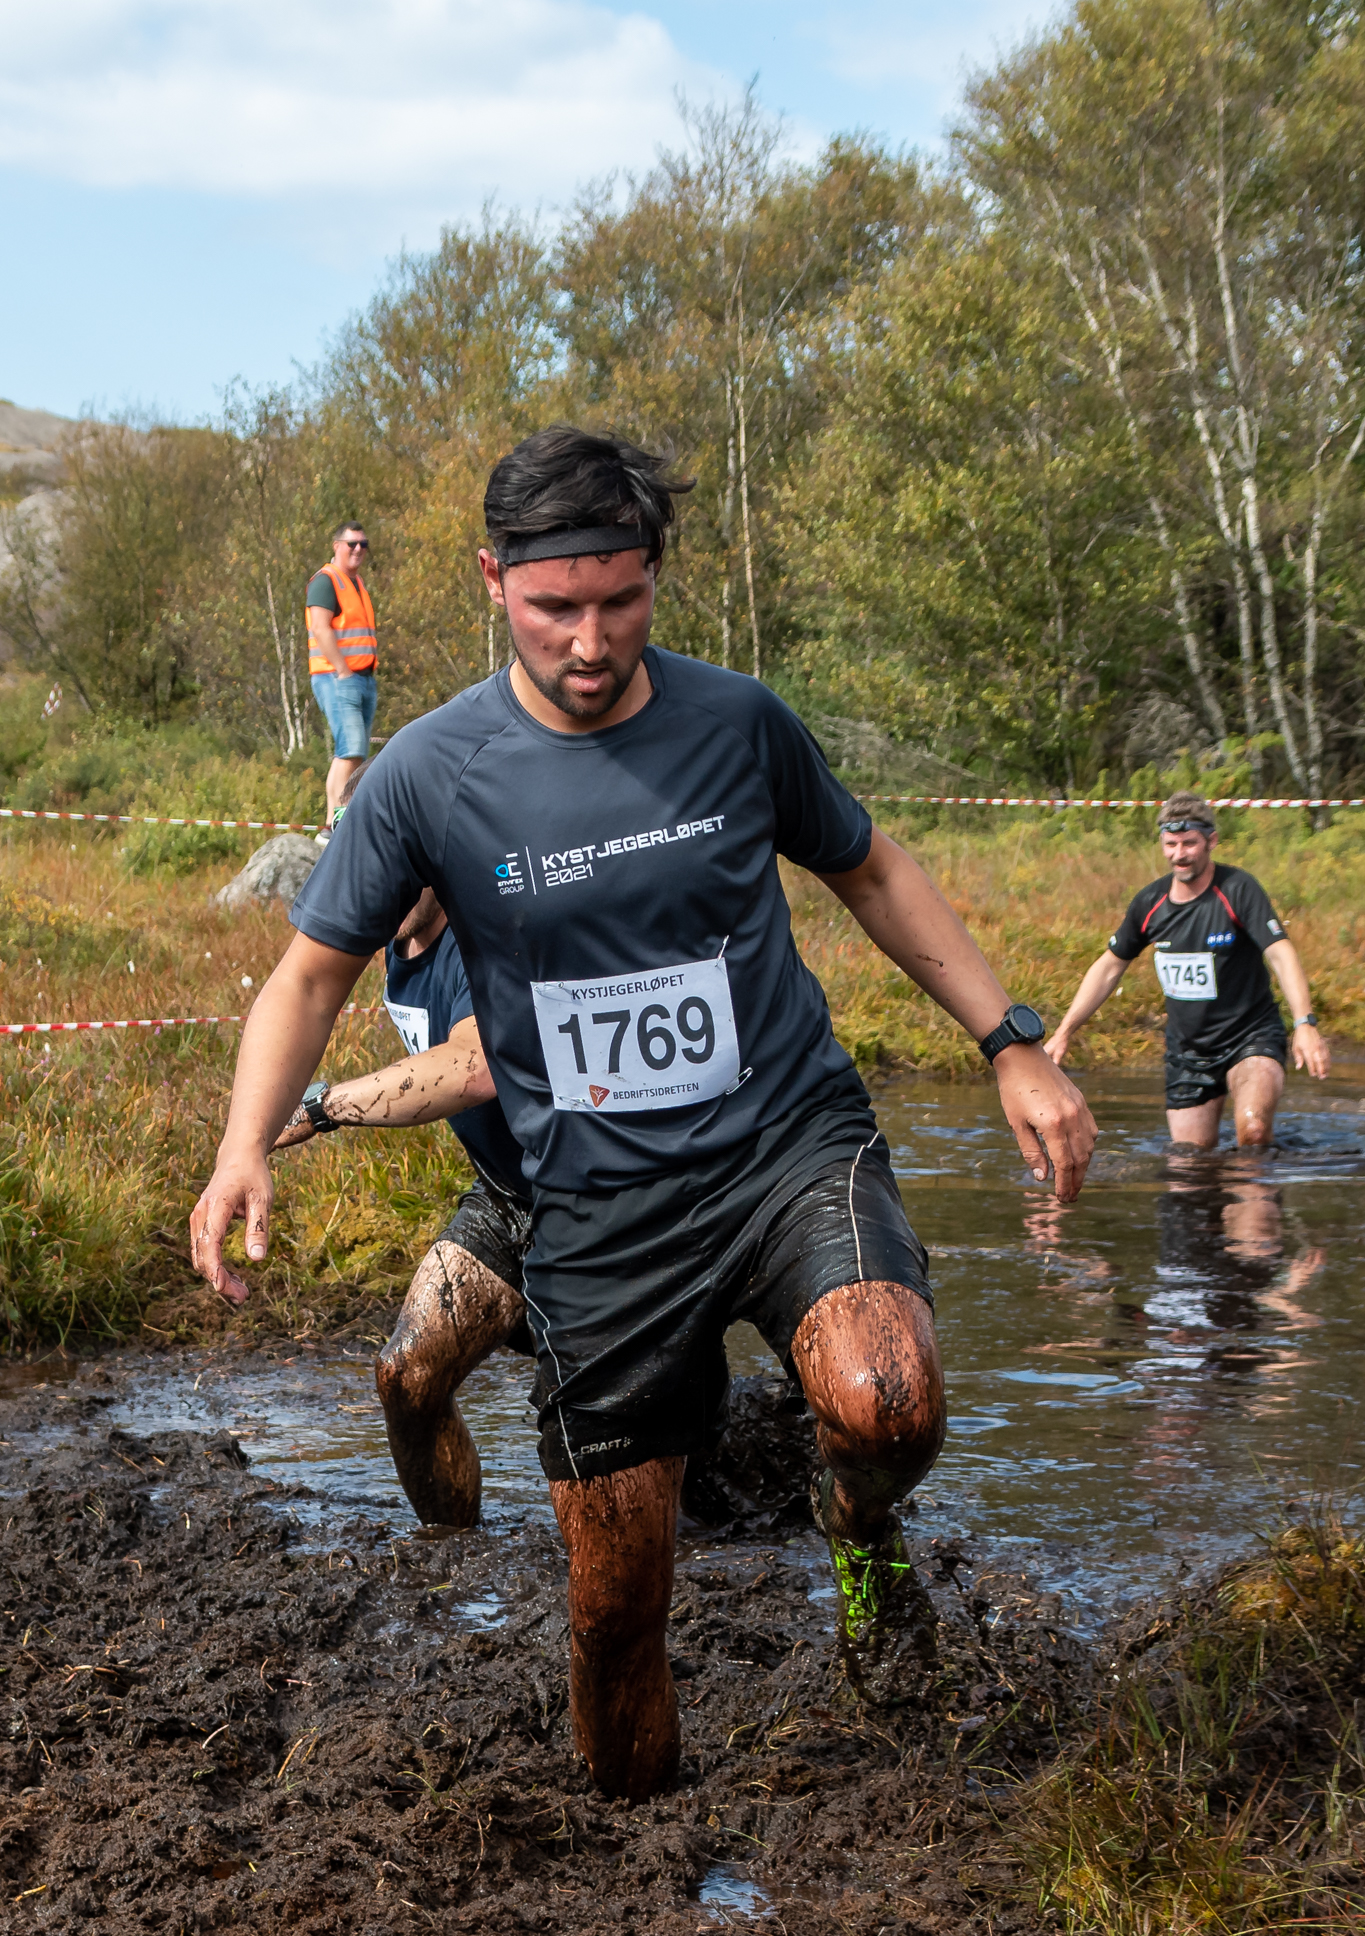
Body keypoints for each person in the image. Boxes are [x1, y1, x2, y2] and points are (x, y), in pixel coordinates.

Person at [190, 426, 1097, 1801]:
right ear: (493, 579)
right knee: (616, 1616)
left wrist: (1011, 1041)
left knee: (888, 1403)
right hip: (599, 1207)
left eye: (621, 601)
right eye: (555, 605)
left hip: (786, 1143)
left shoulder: (736, 722)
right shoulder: (428, 772)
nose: (591, 640)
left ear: (655, 578)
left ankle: (858, 1533)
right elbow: (310, 975)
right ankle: (644, 1843)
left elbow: (871, 871)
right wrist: (242, 1145)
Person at [274, 848, 532, 1528]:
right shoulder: (397, 939)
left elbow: (475, 1064)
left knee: (644, 1445)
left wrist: (321, 1107)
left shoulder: (480, 934)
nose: (378, 882)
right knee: (408, 1374)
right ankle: (451, 1556)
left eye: (394, 859)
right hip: (507, 1196)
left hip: (593, 1199)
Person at [1045, 792, 1331, 1147]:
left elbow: (1280, 953)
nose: (1179, 854)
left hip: (1250, 1037)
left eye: (1189, 844)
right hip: (1188, 1052)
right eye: (1171, 844)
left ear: (1211, 841)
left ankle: (1260, 1182)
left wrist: (1305, 1023)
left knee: (1254, 1130)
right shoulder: (1150, 903)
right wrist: (1064, 1032)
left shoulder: (1237, 889)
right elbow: (1108, 967)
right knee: (1189, 1160)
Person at [307, 521, 378, 840]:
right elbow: (320, 627)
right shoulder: (326, 581)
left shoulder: (356, 583)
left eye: (364, 544)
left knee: (356, 752)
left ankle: (341, 820)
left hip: (362, 678)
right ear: (337, 546)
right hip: (337, 677)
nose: (358, 549)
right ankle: (331, 825)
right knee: (349, 748)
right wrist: (342, 670)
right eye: (352, 544)